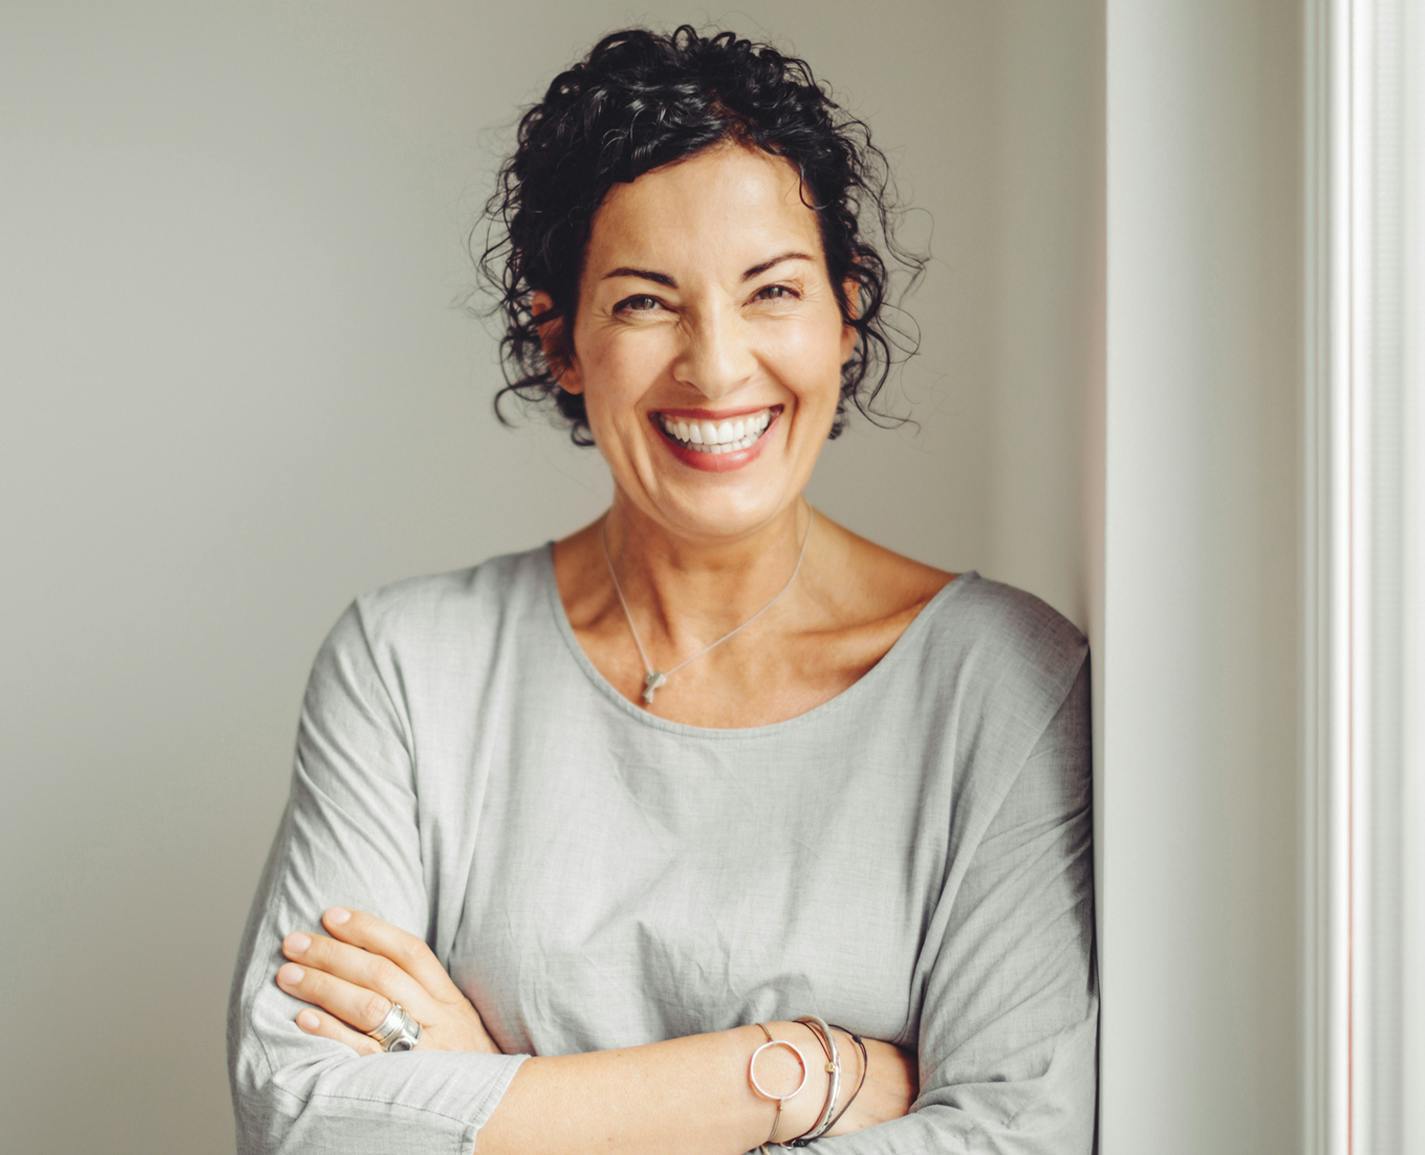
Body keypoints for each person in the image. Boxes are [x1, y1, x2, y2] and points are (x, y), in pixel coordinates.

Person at [225, 23, 1098, 1155]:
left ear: (847, 312)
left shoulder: (1004, 684)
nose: (719, 364)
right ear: (561, 340)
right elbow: (303, 1120)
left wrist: (494, 1097)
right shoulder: (407, 668)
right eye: (646, 301)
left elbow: (1014, 1141)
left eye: (772, 290)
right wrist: (790, 1077)